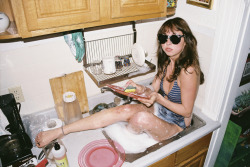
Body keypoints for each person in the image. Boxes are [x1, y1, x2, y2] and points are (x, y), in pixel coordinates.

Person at [36, 17, 204, 148]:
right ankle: (60, 131)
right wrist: (139, 88)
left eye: (174, 38)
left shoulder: (189, 71)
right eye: (163, 37)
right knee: (124, 109)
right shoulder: (168, 60)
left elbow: (187, 112)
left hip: (176, 124)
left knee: (140, 119)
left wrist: (158, 99)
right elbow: (153, 89)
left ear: (186, 40)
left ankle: (125, 142)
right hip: (160, 111)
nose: (167, 43)